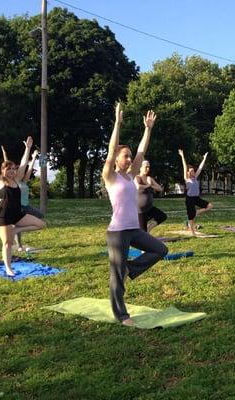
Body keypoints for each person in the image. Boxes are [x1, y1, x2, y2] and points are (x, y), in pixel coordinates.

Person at [102, 103, 168, 326]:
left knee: (161, 249)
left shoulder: (131, 176)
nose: (130, 159)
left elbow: (142, 151)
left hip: (133, 229)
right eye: (126, 156)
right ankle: (122, 315)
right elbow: (111, 151)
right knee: (116, 277)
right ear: (117, 159)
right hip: (117, 232)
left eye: (130, 156)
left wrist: (148, 129)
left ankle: (129, 268)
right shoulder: (110, 176)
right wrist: (118, 123)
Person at [0, 132, 46, 277]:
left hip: (18, 215)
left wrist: (28, 148)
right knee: (8, 244)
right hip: (3, 217)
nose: (11, 171)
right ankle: (8, 267)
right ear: (3, 171)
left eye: (12, 168)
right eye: (8, 168)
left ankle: (16, 230)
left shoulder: (17, 180)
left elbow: (24, 164)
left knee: (41, 224)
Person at [1, 146, 45, 251]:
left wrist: (33, 157)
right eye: (12, 169)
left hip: (26, 206)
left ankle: (17, 230)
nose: (14, 170)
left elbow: (29, 169)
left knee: (40, 215)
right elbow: (5, 166)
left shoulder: (23, 181)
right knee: (17, 224)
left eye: (15, 169)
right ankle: (19, 245)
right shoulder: (12, 182)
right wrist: (4, 153)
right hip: (18, 207)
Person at [178, 149, 213, 236]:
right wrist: (182, 156)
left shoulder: (195, 177)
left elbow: (200, 168)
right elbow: (184, 167)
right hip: (189, 199)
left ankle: (197, 212)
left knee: (210, 206)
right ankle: (193, 232)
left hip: (196, 198)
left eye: (193, 171)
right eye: (191, 171)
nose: (193, 172)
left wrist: (204, 158)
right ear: (188, 173)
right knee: (191, 217)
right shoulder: (187, 179)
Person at [135, 160, 167, 233]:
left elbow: (159, 189)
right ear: (140, 168)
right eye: (146, 167)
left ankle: (149, 229)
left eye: (149, 167)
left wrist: (151, 185)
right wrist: (148, 185)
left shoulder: (149, 178)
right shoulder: (137, 177)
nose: (148, 169)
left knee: (162, 216)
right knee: (142, 233)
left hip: (149, 208)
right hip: (140, 211)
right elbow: (137, 187)